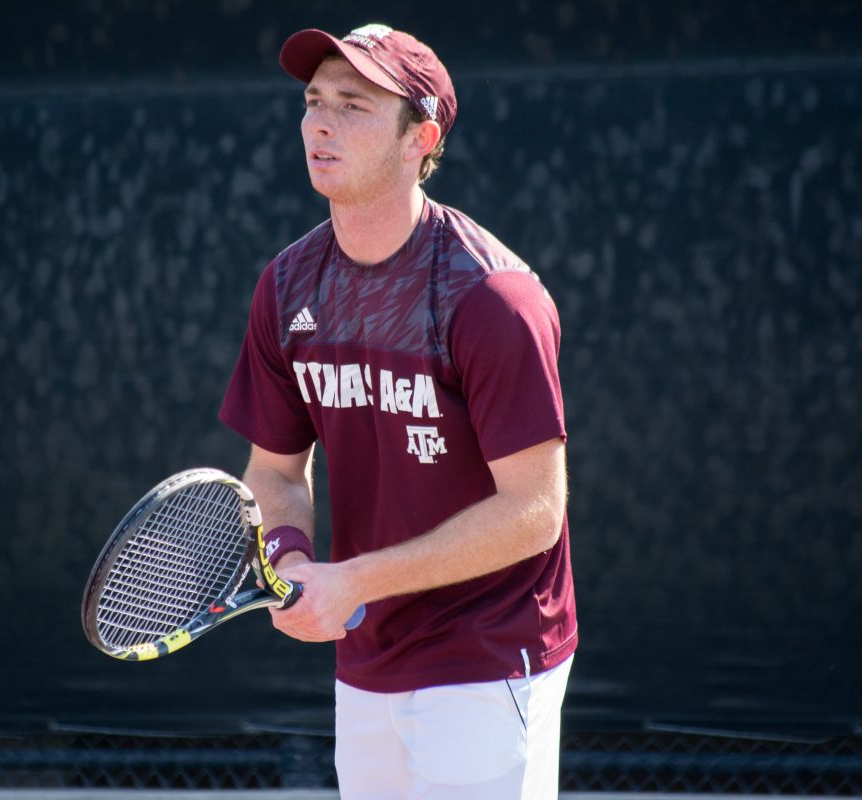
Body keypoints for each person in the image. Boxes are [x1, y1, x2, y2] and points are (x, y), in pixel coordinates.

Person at [219, 23, 577, 800]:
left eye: (353, 105)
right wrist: (289, 559)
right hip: (368, 658)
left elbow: (535, 511)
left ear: (423, 136)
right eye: (314, 101)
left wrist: (357, 579)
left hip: (491, 654)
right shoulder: (286, 288)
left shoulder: (490, 298)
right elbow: (275, 472)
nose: (319, 122)